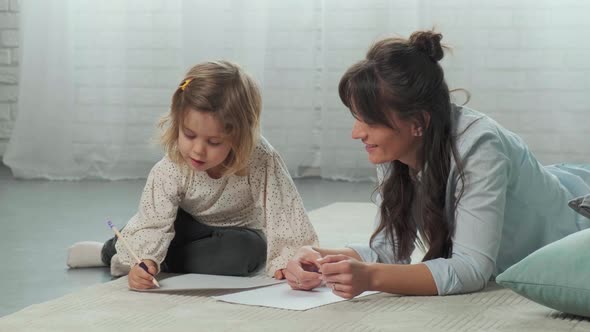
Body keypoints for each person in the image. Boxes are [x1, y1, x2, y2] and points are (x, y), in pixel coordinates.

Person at [282, 30, 590, 298]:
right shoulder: (396, 148)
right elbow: (388, 251)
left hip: (576, 221)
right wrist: (321, 259)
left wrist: (371, 278)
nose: (356, 133)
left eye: (370, 122)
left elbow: (471, 269)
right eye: (356, 118)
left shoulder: (480, 146)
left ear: (418, 122)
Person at [67, 60, 318, 289]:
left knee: (246, 253)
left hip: (238, 233)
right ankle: (110, 251)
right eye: (189, 135)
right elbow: (155, 221)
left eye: (214, 141)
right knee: (156, 227)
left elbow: (284, 211)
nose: (198, 150)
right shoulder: (172, 166)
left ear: (239, 138)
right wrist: (145, 259)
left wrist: (291, 259)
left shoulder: (261, 158)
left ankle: (150, 256)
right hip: (183, 225)